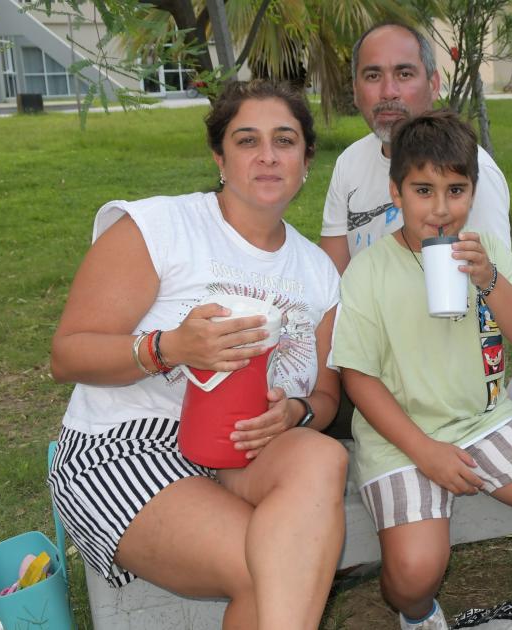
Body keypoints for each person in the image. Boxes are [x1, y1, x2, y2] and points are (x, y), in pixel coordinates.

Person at [47, 80, 348, 628]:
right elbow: (67, 354)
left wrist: (295, 414)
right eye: (246, 140)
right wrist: (171, 347)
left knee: (324, 456)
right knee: (276, 570)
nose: (267, 155)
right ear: (219, 156)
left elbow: (325, 396)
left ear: (306, 160)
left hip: (246, 449)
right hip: (127, 444)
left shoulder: (317, 273)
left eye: (284, 140)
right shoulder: (160, 227)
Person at [332, 111, 512, 630]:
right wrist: (425, 452)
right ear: (396, 194)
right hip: (401, 438)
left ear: (473, 193)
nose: (440, 209)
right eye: (423, 190)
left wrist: (490, 280)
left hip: (484, 420)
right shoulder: (368, 272)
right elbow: (358, 378)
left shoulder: (488, 254)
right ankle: (416, 614)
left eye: (456, 190)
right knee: (415, 572)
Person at [320, 22, 511, 273]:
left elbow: (496, 286)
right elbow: (331, 279)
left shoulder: (469, 171)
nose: (389, 92)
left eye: (404, 74)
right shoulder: (350, 162)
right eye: (373, 76)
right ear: (355, 91)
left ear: (433, 84)